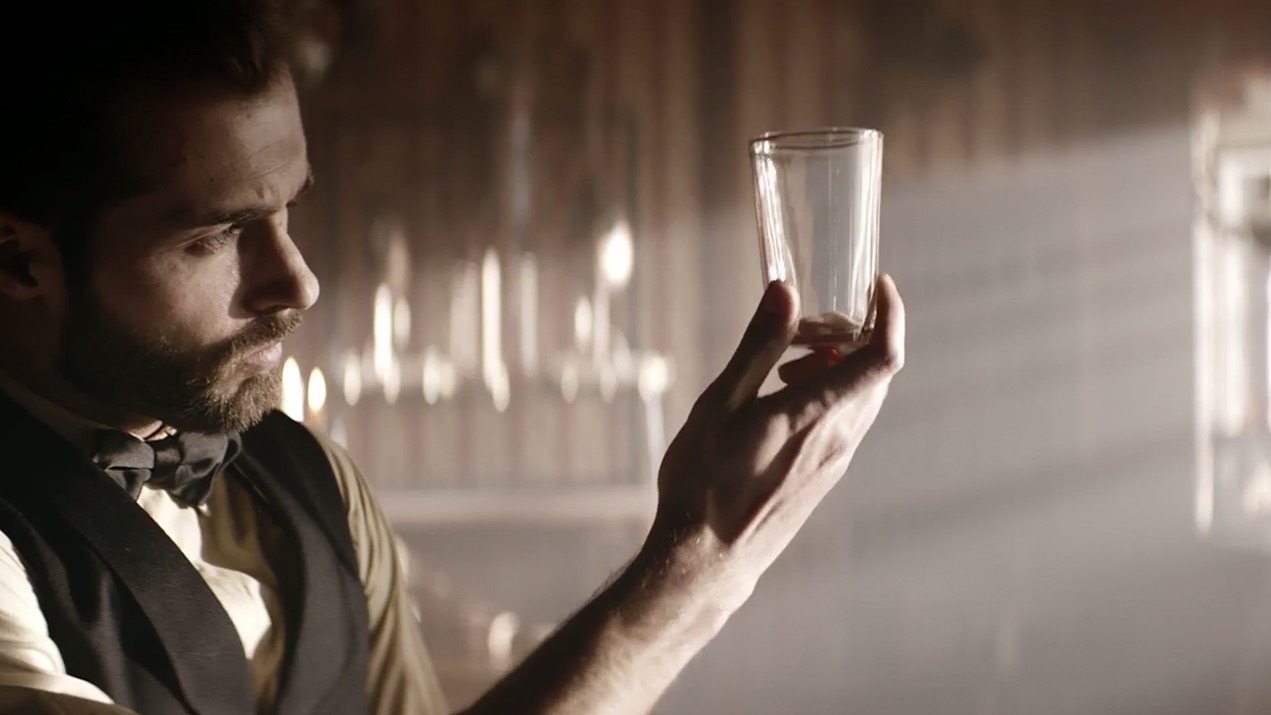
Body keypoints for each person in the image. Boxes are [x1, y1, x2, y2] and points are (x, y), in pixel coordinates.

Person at [0, 2, 904, 714]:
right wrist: (703, 556)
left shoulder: (315, 486)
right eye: (216, 236)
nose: (298, 280)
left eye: (289, 211)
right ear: (19, 261)